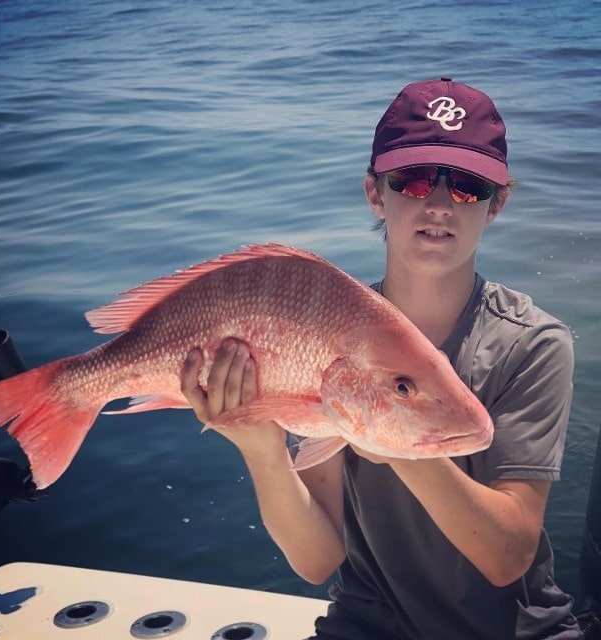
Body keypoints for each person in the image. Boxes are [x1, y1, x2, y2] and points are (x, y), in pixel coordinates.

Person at [180, 78, 583, 639]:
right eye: (413, 179)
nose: (438, 204)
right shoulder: (320, 331)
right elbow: (317, 560)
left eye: (467, 186)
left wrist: (391, 433)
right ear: (376, 193)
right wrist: (262, 448)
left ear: (498, 203)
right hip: (366, 625)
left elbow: (507, 555)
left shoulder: (532, 344)